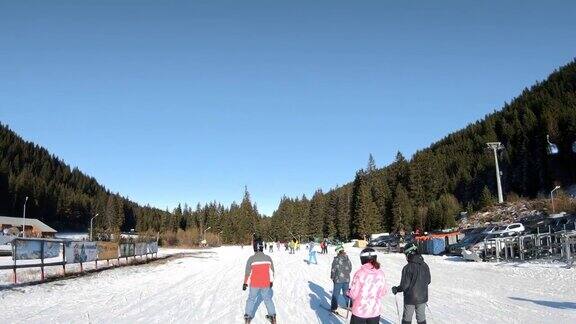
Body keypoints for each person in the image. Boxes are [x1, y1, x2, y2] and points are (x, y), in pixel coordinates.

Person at [391, 242, 431, 324]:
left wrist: (397, 289)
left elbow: (404, 285)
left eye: (406, 254)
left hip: (410, 298)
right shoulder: (425, 265)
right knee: (421, 317)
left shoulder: (407, 268)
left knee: (407, 318)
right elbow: (428, 280)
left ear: (409, 254)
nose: (405, 257)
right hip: (422, 297)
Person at [347, 247, 387, 324]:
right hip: (374, 311)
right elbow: (383, 292)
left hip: (360, 311)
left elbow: (354, 294)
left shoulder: (359, 273)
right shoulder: (381, 273)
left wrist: (349, 293)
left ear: (362, 259)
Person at [243, 237, 276, 324]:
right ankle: (272, 316)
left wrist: (245, 283)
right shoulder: (268, 258)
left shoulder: (251, 259)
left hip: (254, 283)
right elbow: (272, 271)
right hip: (265, 283)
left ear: (254, 247)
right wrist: (271, 281)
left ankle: (247, 317)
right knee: (267, 299)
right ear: (262, 247)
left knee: (251, 299)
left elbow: (247, 272)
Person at [330, 244, 352, 312]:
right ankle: (350, 306)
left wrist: (332, 276)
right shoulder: (347, 258)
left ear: (338, 251)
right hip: (346, 279)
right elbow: (350, 268)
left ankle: (334, 307)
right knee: (346, 293)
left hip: (338, 279)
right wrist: (346, 274)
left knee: (336, 294)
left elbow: (333, 269)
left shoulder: (336, 259)